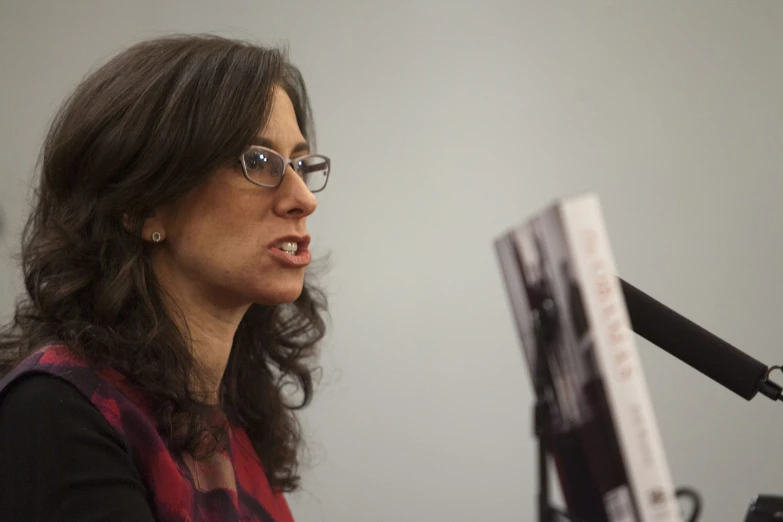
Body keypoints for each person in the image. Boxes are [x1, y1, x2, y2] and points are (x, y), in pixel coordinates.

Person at [0, 34, 331, 522]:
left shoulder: (225, 423)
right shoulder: (55, 411)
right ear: (143, 204)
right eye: (259, 162)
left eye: (301, 165)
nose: (304, 198)